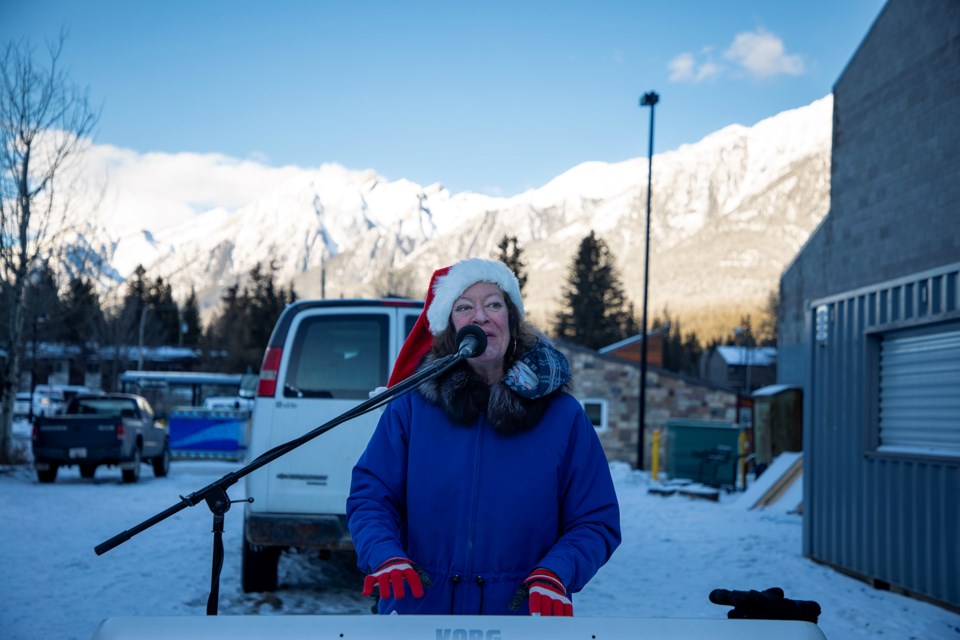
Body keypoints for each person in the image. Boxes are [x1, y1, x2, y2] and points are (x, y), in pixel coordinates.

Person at [346, 258, 621, 616]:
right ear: (449, 328)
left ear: (512, 319)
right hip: (419, 611)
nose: (481, 316)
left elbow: (595, 518)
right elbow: (371, 497)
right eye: (464, 307)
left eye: (493, 304)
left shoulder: (563, 416)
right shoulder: (410, 408)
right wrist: (385, 555)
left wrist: (557, 572)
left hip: (522, 615)